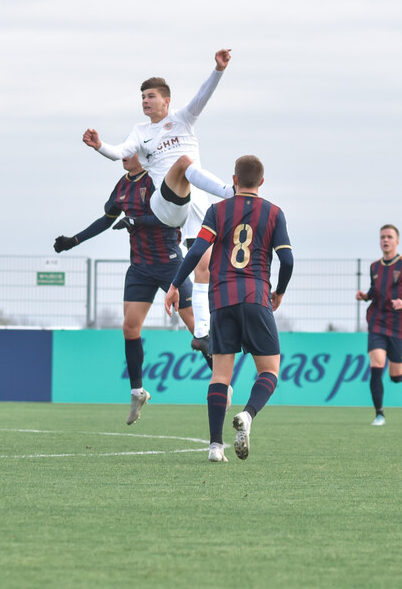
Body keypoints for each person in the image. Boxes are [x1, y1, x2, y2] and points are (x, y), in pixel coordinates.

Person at [83, 49, 234, 346]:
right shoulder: (140, 132)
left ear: (166, 100)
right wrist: (100, 145)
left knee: (203, 264)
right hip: (164, 205)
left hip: (194, 206)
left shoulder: (184, 119)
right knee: (184, 164)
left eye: (150, 96)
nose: (145, 101)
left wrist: (218, 70)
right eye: (142, 97)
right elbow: (119, 152)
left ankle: (202, 333)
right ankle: (232, 193)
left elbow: (204, 96)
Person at [54, 154, 214, 425]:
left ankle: (221, 382)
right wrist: (75, 240)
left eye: (131, 152)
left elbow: (174, 220)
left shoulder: (158, 183)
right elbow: (107, 219)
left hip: (169, 263)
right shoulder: (122, 185)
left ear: (145, 156)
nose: (124, 157)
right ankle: (137, 392)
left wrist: (137, 221)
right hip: (139, 267)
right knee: (130, 328)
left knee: (197, 326)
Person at [165, 155, 293, 463]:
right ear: (261, 182)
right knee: (270, 370)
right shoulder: (274, 213)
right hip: (256, 297)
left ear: (233, 180)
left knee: (221, 375)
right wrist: (279, 292)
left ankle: (214, 446)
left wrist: (174, 285)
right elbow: (287, 261)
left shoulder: (217, 211)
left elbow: (197, 250)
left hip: (221, 301)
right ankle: (248, 415)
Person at [356, 224, 402, 426]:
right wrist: (366, 296)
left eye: (389, 237)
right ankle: (379, 414)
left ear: (397, 241)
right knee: (376, 366)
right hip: (376, 322)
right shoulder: (374, 267)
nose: (385, 240)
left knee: (396, 376)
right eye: (382, 237)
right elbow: (375, 290)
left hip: (398, 325)